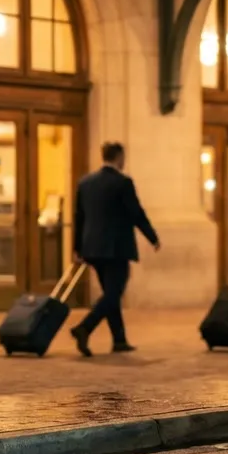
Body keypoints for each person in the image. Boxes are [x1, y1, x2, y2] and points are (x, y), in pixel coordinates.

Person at [69, 142, 160, 357]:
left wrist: (77, 248)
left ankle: (119, 339)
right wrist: (152, 236)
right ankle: (84, 328)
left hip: (92, 248)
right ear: (119, 157)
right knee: (113, 293)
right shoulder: (123, 183)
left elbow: (79, 217)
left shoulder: (85, 183)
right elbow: (136, 213)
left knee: (111, 294)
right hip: (116, 248)